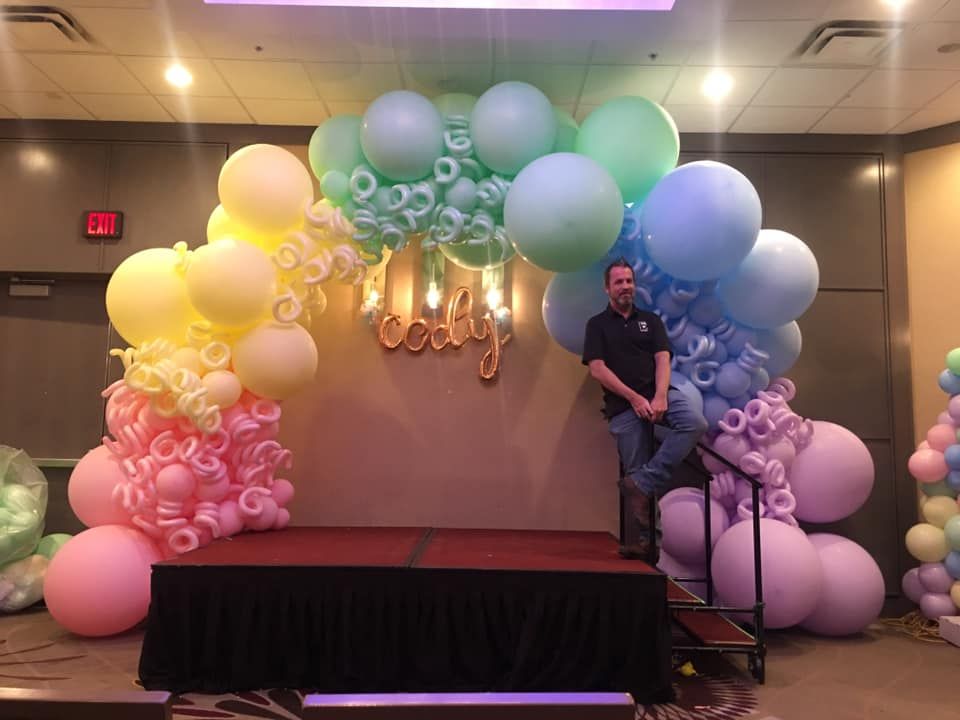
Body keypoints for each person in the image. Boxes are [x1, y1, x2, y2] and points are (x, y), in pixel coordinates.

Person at [582, 258, 708, 564]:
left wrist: (660, 396)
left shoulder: (650, 321)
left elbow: (663, 359)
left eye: (629, 281)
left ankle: (644, 482)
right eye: (619, 282)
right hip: (623, 408)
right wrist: (635, 398)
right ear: (607, 288)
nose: (625, 287)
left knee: (693, 423)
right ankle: (648, 546)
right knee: (636, 471)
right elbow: (597, 369)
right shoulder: (597, 325)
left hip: (660, 398)